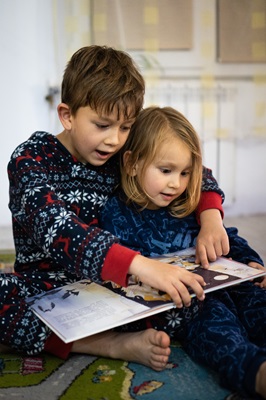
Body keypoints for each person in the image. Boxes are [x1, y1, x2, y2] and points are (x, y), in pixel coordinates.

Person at [2, 46, 227, 369]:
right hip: (49, 289)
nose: (115, 140)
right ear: (67, 116)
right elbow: (59, 231)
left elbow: (192, 171)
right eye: (102, 125)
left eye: (125, 128)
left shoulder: (118, 153)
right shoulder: (31, 160)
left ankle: (129, 326)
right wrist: (142, 265)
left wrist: (210, 218)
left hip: (116, 288)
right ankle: (105, 343)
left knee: (199, 296)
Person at [100, 105, 266, 399]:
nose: (176, 183)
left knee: (260, 305)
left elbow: (227, 238)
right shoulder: (117, 215)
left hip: (233, 285)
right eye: (165, 171)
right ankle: (256, 374)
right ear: (132, 164)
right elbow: (122, 273)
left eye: (185, 173)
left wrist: (253, 262)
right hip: (192, 305)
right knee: (220, 337)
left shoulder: (186, 203)